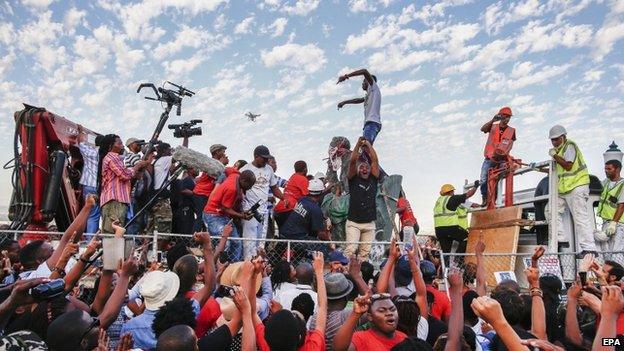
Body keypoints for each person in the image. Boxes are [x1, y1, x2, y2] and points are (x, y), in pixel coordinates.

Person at [548, 124, 596, 255]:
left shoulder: (570, 146)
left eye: (556, 139)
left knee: (580, 217)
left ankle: (589, 248)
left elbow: (568, 166)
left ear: (563, 137)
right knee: (550, 210)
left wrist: (554, 156)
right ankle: (561, 238)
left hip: (577, 186)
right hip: (564, 189)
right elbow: (554, 171)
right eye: (552, 140)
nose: (554, 142)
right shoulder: (558, 152)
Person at [98, 134, 149, 233]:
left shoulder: (112, 158)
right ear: (111, 146)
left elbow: (126, 173)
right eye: (119, 143)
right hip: (114, 200)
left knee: (113, 232)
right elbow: (124, 175)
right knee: (113, 232)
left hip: (115, 200)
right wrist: (137, 166)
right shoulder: (112, 157)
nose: (122, 146)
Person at [239, 145, 283, 259]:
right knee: (249, 241)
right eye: (264, 158)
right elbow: (238, 189)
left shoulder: (269, 169)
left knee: (261, 243)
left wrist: (284, 198)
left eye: (267, 158)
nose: (266, 160)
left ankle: (258, 266)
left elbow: (275, 188)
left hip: (264, 211)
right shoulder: (245, 169)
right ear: (256, 156)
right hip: (250, 211)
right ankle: (248, 265)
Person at [203, 170, 256, 262]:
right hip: (213, 215)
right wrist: (242, 215)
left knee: (236, 241)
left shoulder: (235, 175)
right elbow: (225, 208)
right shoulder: (233, 189)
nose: (250, 188)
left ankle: (232, 266)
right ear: (243, 181)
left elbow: (227, 170)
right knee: (224, 243)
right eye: (249, 185)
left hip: (222, 215)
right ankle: (218, 267)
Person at [333, 292, 406, 351]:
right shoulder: (360, 338)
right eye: (382, 311)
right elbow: (338, 349)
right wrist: (356, 313)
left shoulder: (404, 339)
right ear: (370, 317)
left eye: (393, 309)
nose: (389, 313)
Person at [345, 138, 380, 260]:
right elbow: (353, 162)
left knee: (365, 254)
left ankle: (360, 276)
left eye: (366, 167)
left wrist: (369, 145)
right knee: (351, 250)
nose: (364, 169)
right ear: (358, 170)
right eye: (362, 167)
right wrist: (358, 145)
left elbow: (375, 161)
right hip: (354, 223)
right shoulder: (353, 179)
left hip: (369, 223)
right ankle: (347, 274)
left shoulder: (373, 179)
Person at [280, 179, 330, 260]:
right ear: (321, 193)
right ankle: (315, 267)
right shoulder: (315, 209)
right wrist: (330, 242)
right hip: (296, 239)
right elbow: (321, 234)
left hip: (284, 234)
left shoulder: (302, 200)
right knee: (324, 247)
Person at [479, 107, 516, 204]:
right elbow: (483, 129)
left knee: (498, 177)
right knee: (483, 179)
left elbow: (511, 144)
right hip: (489, 158)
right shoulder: (493, 126)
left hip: (502, 159)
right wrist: (493, 120)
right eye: (505, 116)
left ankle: (494, 199)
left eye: (509, 117)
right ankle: (485, 197)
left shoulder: (511, 130)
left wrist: (506, 153)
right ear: (500, 115)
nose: (507, 119)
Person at [337, 68, 382, 145]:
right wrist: (344, 102)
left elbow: (364, 71)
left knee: (364, 147)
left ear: (369, 81)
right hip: (370, 124)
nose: (362, 83)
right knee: (365, 149)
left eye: (364, 81)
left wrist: (346, 76)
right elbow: (358, 100)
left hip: (372, 123)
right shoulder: (370, 94)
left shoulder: (373, 88)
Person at [433, 183, 478, 258]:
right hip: (450, 228)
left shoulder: (439, 201)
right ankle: (457, 260)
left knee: (446, 252)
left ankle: (446, 268)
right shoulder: (451, 199)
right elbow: (468, 194)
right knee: (467, 238)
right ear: (451, 192)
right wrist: (476, 186)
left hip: (439, 230)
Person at [193, 144, 229, 231]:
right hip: (201, 193)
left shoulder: (216, 163)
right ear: (217, 152)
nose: (224, 154)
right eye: (223, 151)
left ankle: (204, 241)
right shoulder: (211, 163)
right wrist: (222, 163)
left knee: (207, 217)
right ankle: (192, 241)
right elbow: (218, 174)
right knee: (201, 217)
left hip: (206, 194)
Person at [596, 159, 624, 256]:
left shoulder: (623, 185)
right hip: (606, 222)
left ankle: (618, 271)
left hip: (617, 224)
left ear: (617, 170)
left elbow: (621, 205)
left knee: (616, 252)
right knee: (606, 254)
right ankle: (608, 271)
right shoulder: (606, 183)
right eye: (605, 169)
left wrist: (614, 223)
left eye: (609, 169)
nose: (606, 171)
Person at [147, 143, 174, 235]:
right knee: (164, 227)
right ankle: (158, 248)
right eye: (169, 149)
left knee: (151, 227)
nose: (170, 151)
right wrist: (185, 137)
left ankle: (144, 248)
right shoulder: (165, 159)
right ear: (164, 151)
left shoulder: (156, 162)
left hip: (153, 199)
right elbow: (181, 156)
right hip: (162, 200)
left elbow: (171, 171)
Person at [274, 161, 309, 231]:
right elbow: (309, 197)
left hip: (278, 209)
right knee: (292, 234)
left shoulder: (293, 177)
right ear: (305, 169)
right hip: (289, 209)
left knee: (283, 236)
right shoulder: (303, 179)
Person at [77, 132, 101, 236]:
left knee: (91, 215)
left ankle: (89, 240)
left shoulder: (90, 153)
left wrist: (80, 130)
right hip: (101, 187)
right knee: (99, 215)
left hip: (89, 186)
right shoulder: (106, 155)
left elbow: (81, 143)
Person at [171, 168, 197, 234]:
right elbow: (183, 190)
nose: (197, 170)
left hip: (190, 209)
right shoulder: (187, 179)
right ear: (190, 169)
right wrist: (195, 194)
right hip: (185, 208)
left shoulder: (192, 180)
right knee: (186, 229)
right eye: (195, 168)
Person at [266, 156, 287, 240]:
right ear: (267, 164)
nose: (276, 165)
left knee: (270, 235)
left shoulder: (274, 178)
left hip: (269, 214)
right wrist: (268, 198)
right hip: (262, 213)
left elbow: (286, 183)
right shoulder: (261, 176)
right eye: (273, 163)